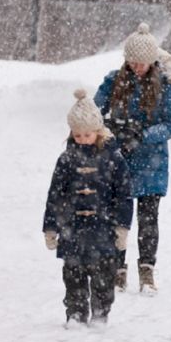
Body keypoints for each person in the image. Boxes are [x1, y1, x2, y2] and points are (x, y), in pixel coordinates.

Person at [94, 22, 171, 294]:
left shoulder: (166, 86)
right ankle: (117, 270)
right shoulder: (113, 81)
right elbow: (95, 114)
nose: (138, 67)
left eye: (143, 62)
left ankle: (146, 269)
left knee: (148, 219)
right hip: (119, 160)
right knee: (117, 218)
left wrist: (143, 135)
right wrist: (115, 128)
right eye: (132, 62)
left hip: (151, 162)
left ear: (153, 61)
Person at [44, 90, 133, 327]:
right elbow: (55, 195)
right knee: (73, 275)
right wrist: (50, 228)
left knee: (103, 276)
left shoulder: (114, 159)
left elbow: (124, 196)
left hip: (103, 229)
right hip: (72, 230)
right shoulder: (66, 160)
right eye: (78, 135)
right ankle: (75, 313)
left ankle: (101, 313)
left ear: (98, 131)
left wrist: (122, 227)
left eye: (87, 134)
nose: (82, 139)